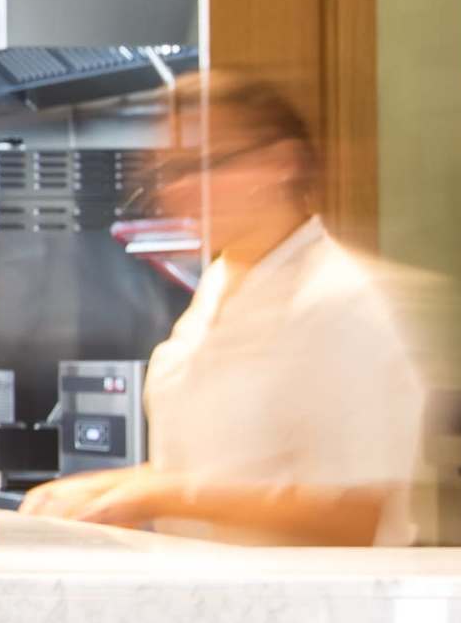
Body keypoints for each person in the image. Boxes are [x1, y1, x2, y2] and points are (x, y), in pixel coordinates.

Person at [24, 74, 424, 547]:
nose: (181, 188)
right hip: (210, 586)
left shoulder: (342, 302)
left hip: (307, 593)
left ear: (281, 163)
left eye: (207, 164)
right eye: (170, 170)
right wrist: (109, 486)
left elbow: (353, 515)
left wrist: (163, 495)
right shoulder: (218, 286)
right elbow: (224, 466)